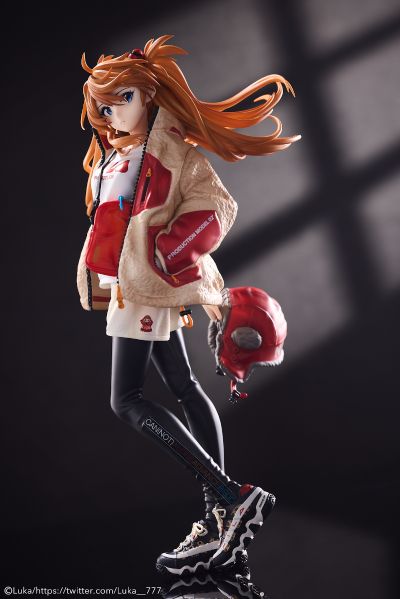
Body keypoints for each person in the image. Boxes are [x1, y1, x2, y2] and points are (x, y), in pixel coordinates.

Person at [76, 35, 301, 576]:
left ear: (149, 96)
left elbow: (216, 206)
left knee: (127, 400)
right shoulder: (120, 155)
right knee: (184, 386)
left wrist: (169, 252)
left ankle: (229, 495)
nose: (113, 112)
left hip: (143, 288)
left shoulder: (168, 150)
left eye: (123, 98)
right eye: (105, 105)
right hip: (132, 286)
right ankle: (220, 519)